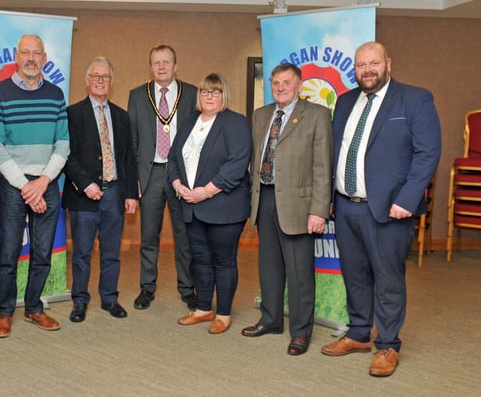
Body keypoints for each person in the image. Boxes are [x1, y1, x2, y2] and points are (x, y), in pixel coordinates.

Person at [321, 42, 441, 377]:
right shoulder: (344, 102)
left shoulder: (415, 99)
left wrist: (407, 198)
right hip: (345, 207)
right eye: (361, 65)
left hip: (389, 209)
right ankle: (359, 333)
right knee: (355, 276)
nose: (367, 70)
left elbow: (428, 153)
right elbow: (337, 152)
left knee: (388, 280)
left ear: (388, 63)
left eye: (374, 63)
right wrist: (329, 197)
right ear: (354, 69)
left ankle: (387, 344)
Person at [241, 63, 333, 356]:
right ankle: (270, 319)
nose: (280, 88)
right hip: (265, 199)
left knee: (299, 272)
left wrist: (318, 210)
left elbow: (322, 166)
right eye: (276, 83)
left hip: (300, 205)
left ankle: (301, 332)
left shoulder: (317, 115)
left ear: (299, 85)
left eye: (286, 82)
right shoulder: (260, 115)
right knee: (269, 266)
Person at [0, 34, 70, 337]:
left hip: (47, 182)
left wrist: (44, 181)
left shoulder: (55, 94)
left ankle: (34, 307)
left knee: (43, 251)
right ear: (16, 56)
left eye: (37, 53)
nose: (31, 59)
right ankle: (5, 312)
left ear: (44, 58)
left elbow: (63, 143)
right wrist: (26, 186)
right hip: (14, 184)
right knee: (8, 252)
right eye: (26, 53)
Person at [168, 73, 251, 334]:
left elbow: (237, 164)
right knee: (200, 260)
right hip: (191, 205)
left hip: (224, 207)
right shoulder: (190, 121)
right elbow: (173, 158)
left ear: (223, 95)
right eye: (205, 92)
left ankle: (224, 314)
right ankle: (204, 308)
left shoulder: (235, 123)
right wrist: (177, 184)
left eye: (215, 92)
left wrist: (206, 192)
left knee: (223, 261)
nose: (209, 97)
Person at [63, 57, 138, 322]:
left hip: (115, 194)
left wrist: (130, 194)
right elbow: (67, 156)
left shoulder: (120, 115)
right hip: (84, 196)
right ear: (87, 80)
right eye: (95, 76)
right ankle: (80, 301)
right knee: (82, 252)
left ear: (111, 81)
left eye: (105, 77)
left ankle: (109, 298)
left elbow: (128, 157)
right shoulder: (72, 114)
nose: (100, 81)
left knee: (111, 252)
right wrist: (85, 185)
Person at [127, 44, 198, 311]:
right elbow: (132, 140)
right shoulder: (137, 95)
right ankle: (147, 288)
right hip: (151, 173)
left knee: (184, 236)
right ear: (150, 66)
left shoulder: (191, 94)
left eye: (166, 62)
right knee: (148, 236)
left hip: (182, 174)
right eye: (156, 62)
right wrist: (134, 179)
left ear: (175, 66)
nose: (161, 67)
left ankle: (187, 289)